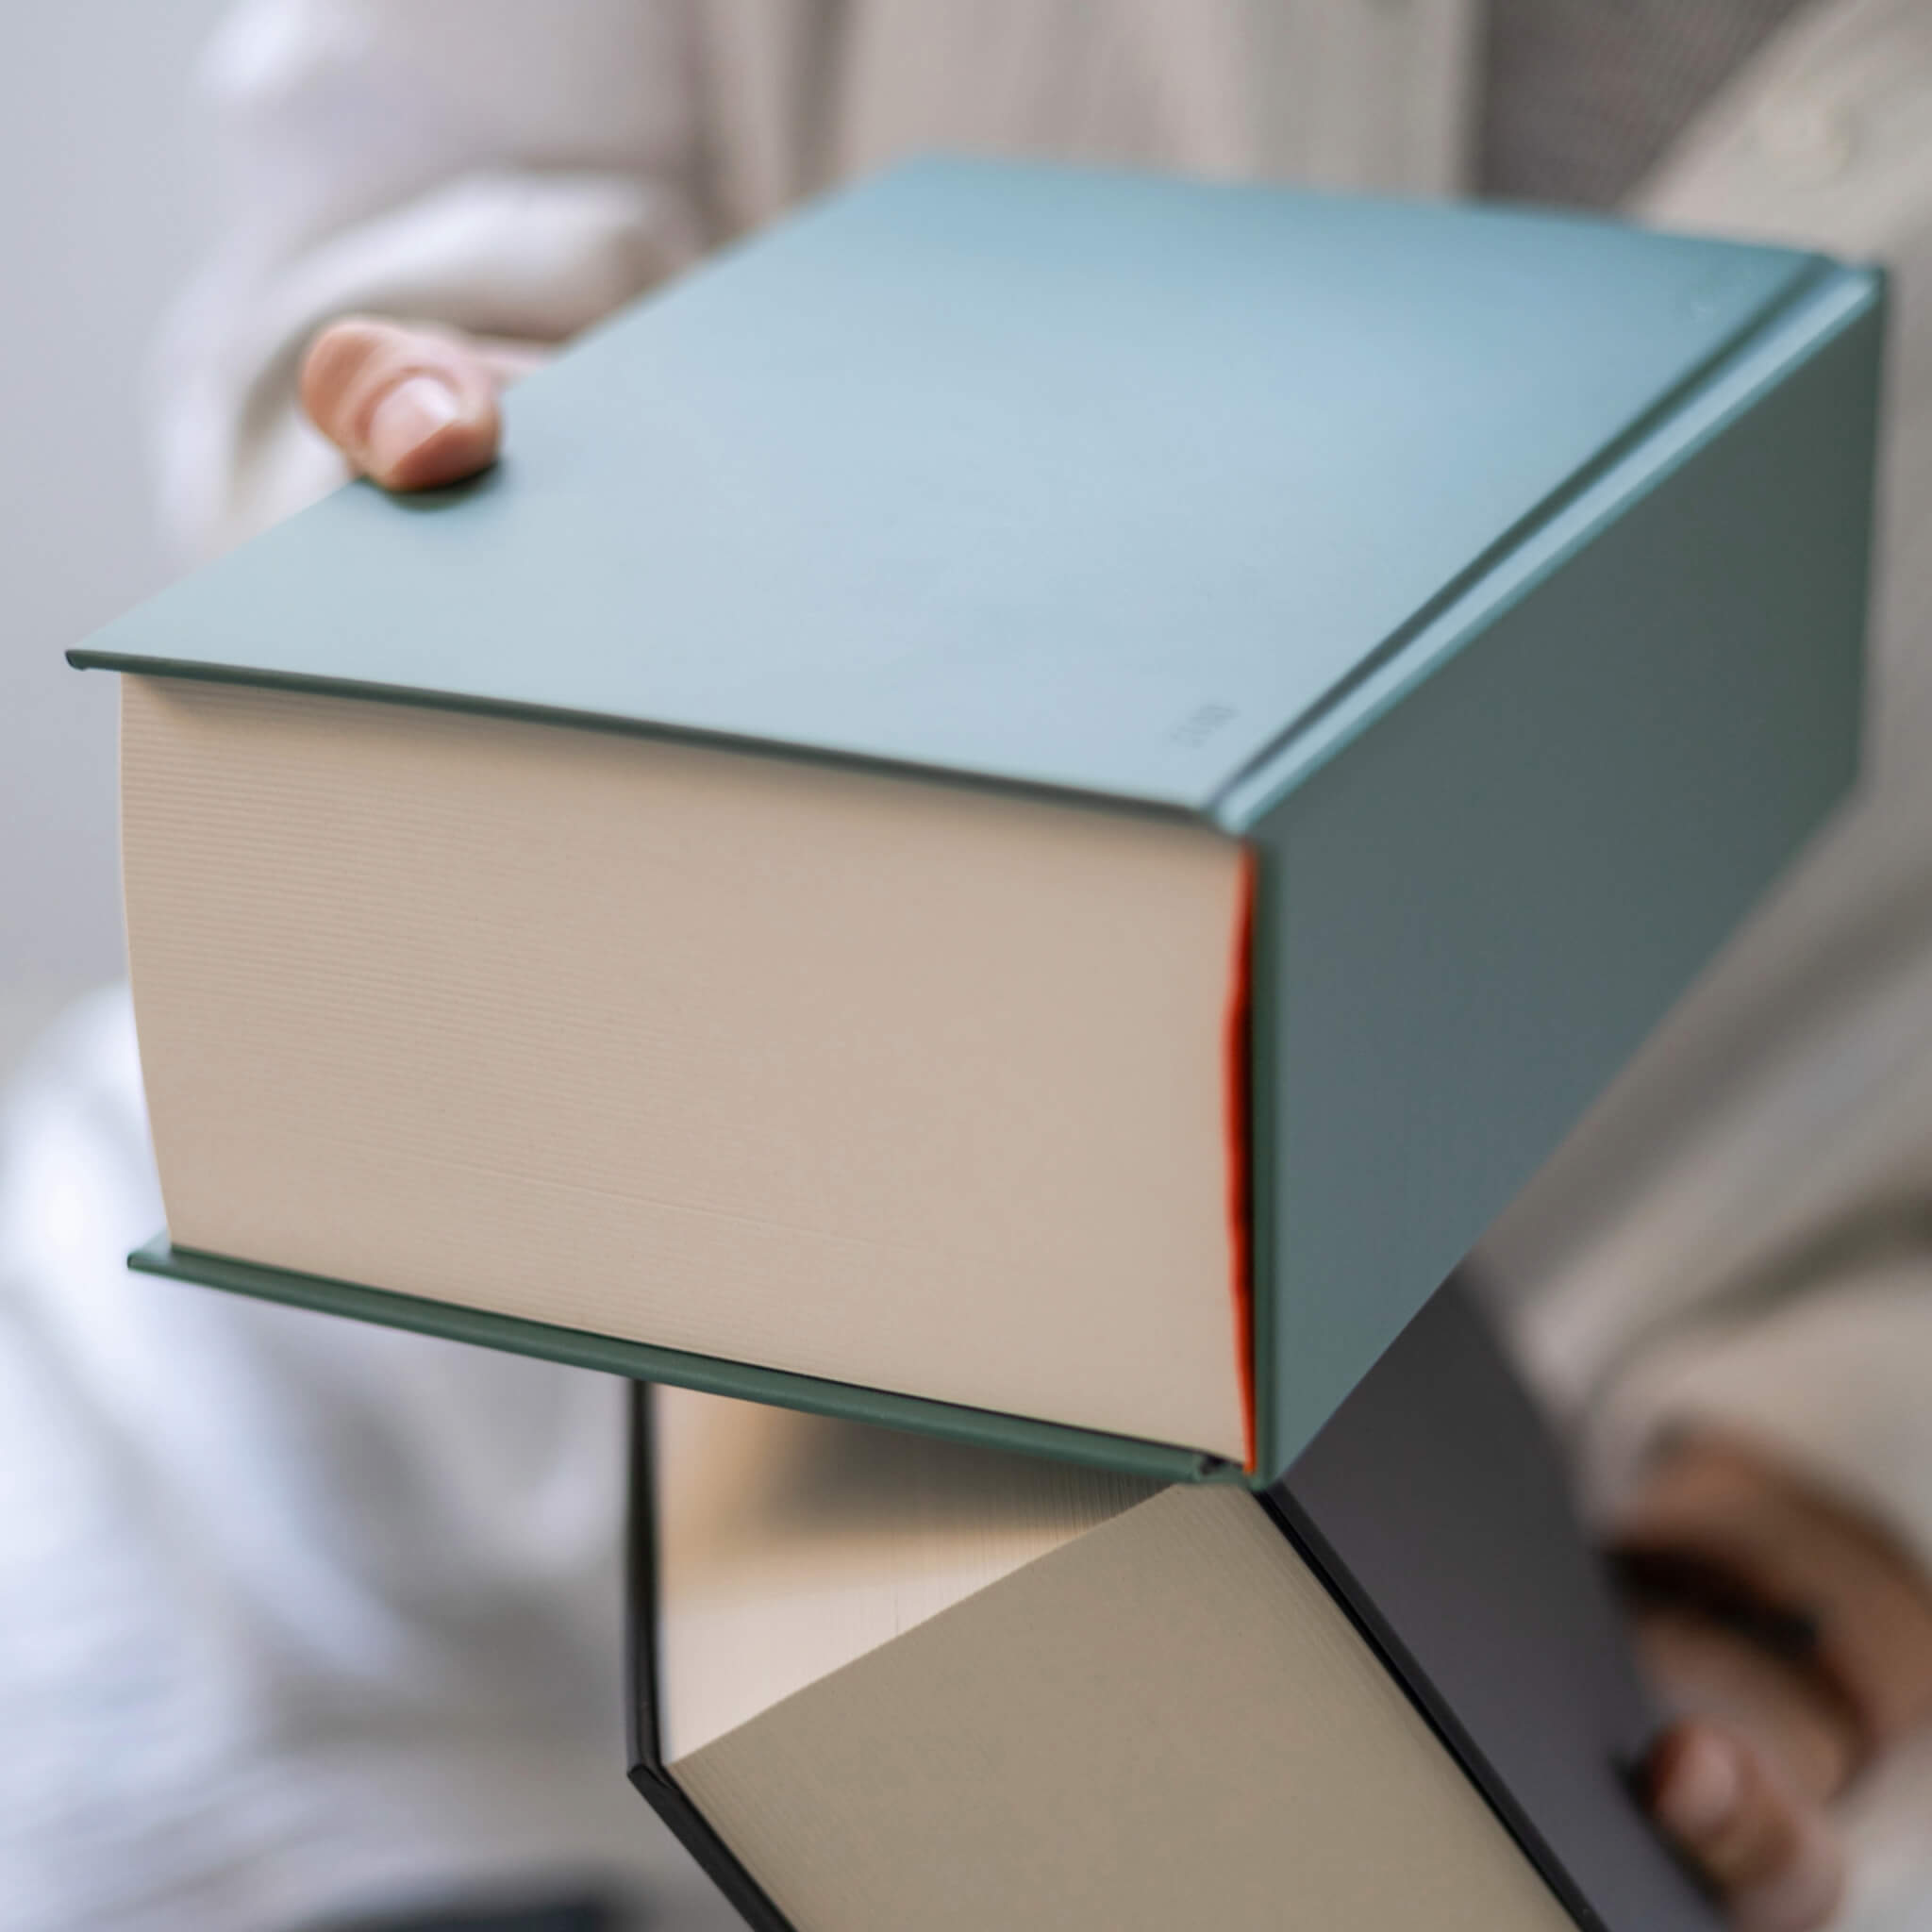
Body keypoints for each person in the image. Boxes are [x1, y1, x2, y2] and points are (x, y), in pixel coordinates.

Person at [6, 3, 1932, 1928]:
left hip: (1441, 1621)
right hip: (319, 1456)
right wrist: (481, 539)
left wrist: (1818, 1555)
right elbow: (408, 200)